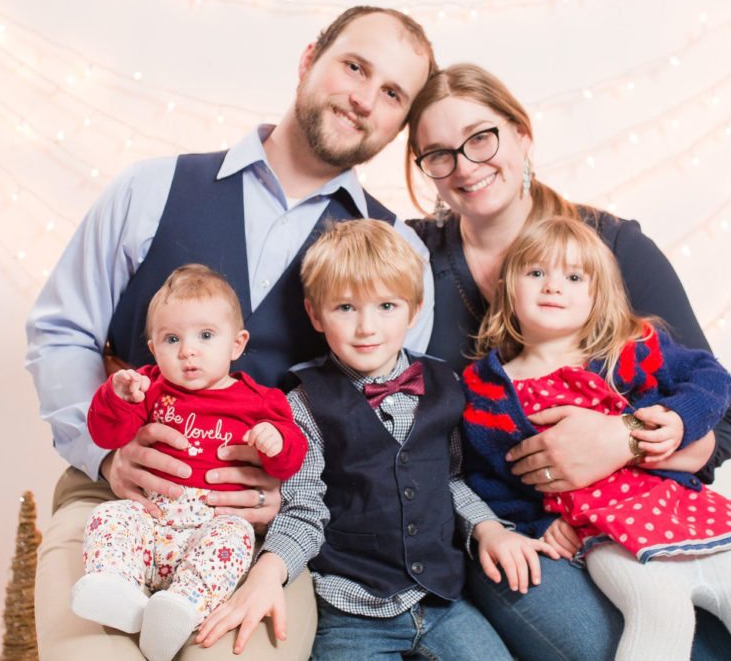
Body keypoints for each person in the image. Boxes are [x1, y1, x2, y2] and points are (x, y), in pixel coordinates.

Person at [25, 5, 438, 661]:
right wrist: (106, 455)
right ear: (309, 59)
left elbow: (391, 432)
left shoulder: (397, 256)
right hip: (113, 504)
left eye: (392, 94)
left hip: (258, 539)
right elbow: (61, 330)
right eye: (354, 67)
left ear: (402, 123)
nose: (365, 99)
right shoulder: (151, 187)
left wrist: (293, 502)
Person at [404, 63, 731, 659]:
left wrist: (623, 440)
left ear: (522, 135)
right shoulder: (414, 259)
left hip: (639, 509)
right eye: (439, 154)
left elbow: (725, 418)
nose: (464, 165)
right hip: (516, 533)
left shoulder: (609, 245)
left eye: (481, 138)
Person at [194, 219, 551, 659]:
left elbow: (451, 480)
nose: (367, 327)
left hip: (443, 600)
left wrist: (489, 528)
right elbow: (302, 506)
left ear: (414, 311)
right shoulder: (302, 403)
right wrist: (269, 572)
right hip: (351, 609)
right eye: (346, 308)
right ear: (315, 314)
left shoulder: (446, 384)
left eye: (386, 306)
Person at [461, 216, 731, 661]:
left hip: (693, 512)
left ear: (598, 295)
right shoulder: (489, 391)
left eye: (574, 277)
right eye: (535, 273)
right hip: (610, 537)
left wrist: (679, 419)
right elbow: (487, 478)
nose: (553, 287)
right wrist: (538, 524)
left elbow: (711, 375)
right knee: (659, 619)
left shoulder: (630, 349)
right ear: (508, 288)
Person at [71, 265, 308, 661]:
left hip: (210, 529)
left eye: (206, 336)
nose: (188, 351)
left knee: (235, 536)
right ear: (153, 348)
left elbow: (290, 461)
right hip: (152, 521)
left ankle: (179, 609)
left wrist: (277, 441)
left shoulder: (260, 402)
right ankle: (117, 588)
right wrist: (117, 398)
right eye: (172, 339)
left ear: (237, 344)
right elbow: (105, 435)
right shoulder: (149, 388)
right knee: (111, 515)